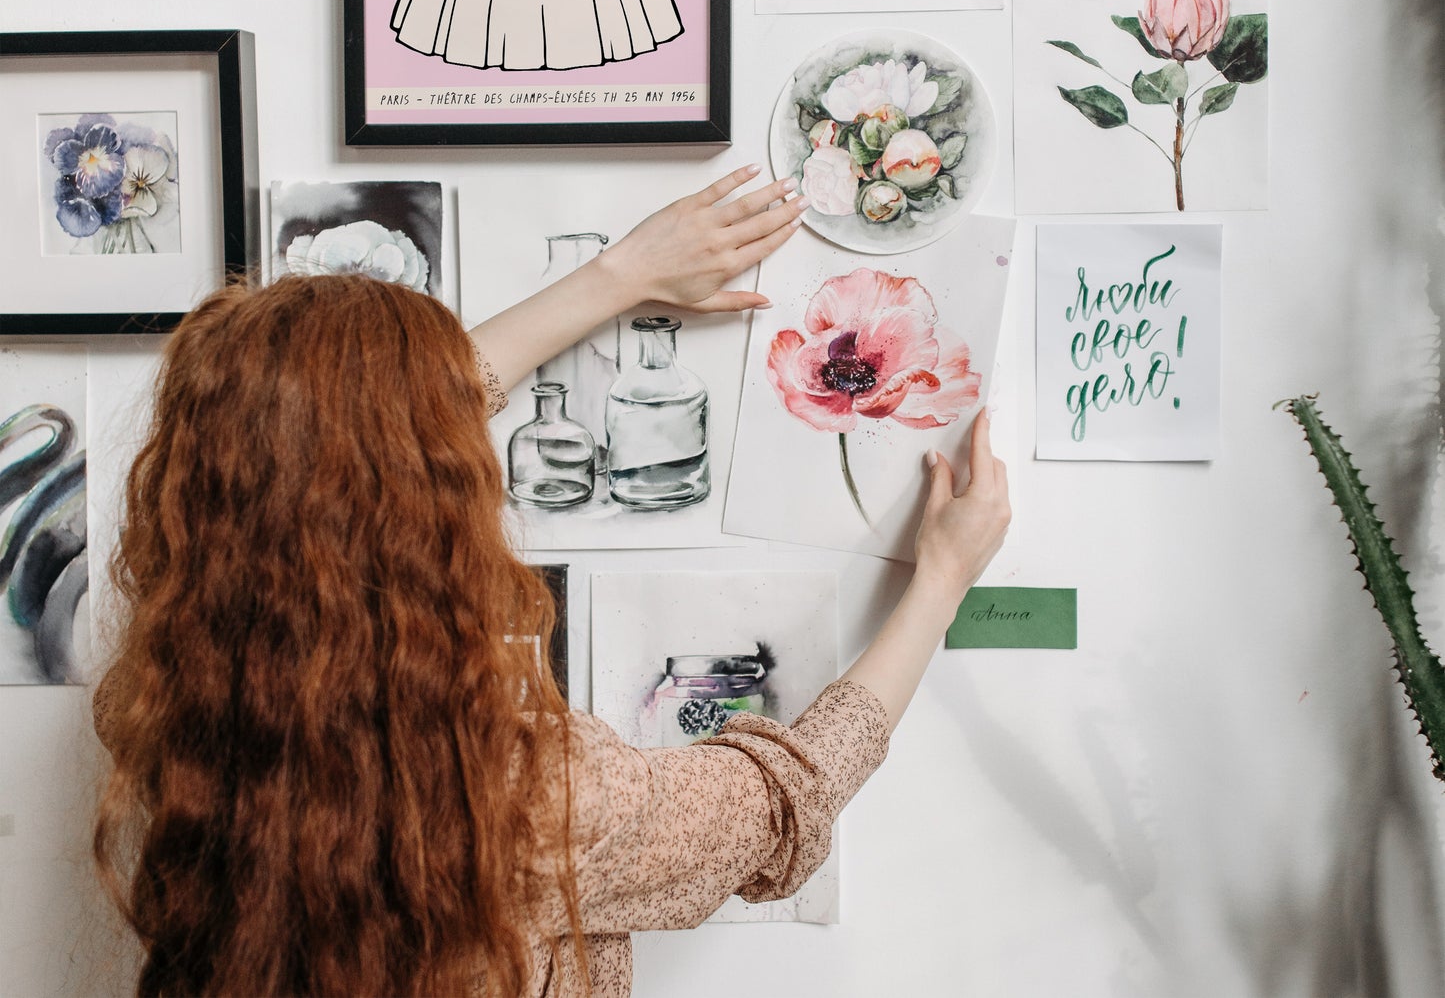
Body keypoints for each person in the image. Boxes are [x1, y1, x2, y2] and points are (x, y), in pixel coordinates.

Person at [93, 166, 1011, 998]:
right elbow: (774, 803)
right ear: (425, 504)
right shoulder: (515, 793)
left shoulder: (167, 702)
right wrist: (940, 580)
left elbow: (348, 434)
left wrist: (621, 274)